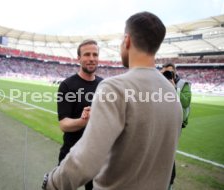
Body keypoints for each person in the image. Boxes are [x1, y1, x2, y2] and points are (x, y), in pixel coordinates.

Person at [41, 12, 183, 190]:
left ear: (127, 40)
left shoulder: (112, 87)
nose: (91, 58)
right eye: (87, 55)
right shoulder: (172, 93)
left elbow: (86, 159)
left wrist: (52, 183)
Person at [56, 39, 103, 190]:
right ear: (79, 58)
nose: (91, 58)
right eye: (87, 54)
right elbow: (63, 124)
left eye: (95, 54)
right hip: (72, 154)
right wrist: (83, 121)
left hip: (97, 155)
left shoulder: (104, 85)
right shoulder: (67, 85)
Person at [161, 63, 192, 190]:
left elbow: (185, 102)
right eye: (165, 73)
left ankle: (169, 181)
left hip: (176, 122)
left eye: (169, 73)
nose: (167, 76)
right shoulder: (160, 83)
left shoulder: (183, 84)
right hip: (161, 121)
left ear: (175, 73)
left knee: (168, 150)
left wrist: (173, 89)